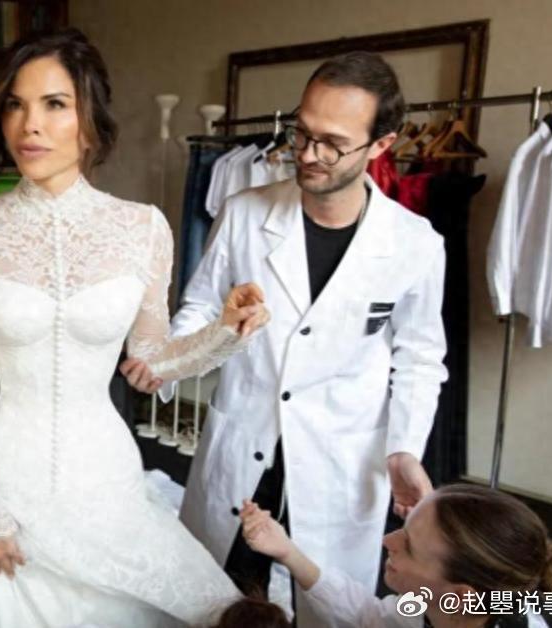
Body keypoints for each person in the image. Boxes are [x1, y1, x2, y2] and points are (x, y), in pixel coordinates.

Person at [0, 28, 268, 628]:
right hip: (9, 471)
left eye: (55, 104)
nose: (30, 125)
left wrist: (226, 331)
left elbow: (151, 362)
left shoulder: (144, 228)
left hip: (105, 470)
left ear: (90, 121)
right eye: (16, 105)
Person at [120, 51, 448, 624]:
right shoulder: (245, 213)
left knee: (329, 606)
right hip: (245, 442)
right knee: (218, 600)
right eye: (303, 133)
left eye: (333, 144)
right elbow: (200, 308)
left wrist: (403, 450)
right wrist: (172, 360)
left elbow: (420, 359)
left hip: (341, 458)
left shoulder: (415, 243)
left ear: (380, 145)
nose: (309, 154)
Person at [240, 484, 552, 627]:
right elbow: (369, 615)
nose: (387, 540)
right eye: (404, 526)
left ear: (460, 596)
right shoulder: (440, 606)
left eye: (410, 546)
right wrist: (288, 552)